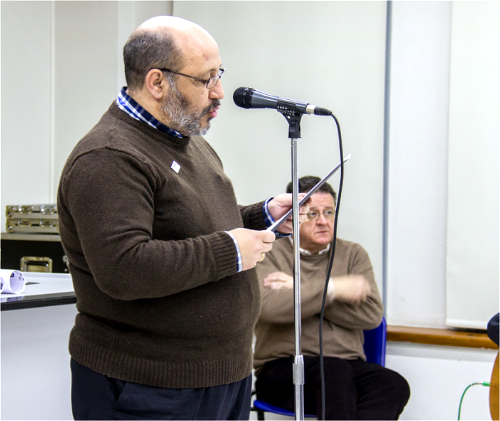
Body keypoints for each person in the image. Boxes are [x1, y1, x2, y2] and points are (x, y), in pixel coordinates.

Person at [57, 16, 308, 420]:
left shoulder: (185, 141)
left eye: (219, 74)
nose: (220, 92)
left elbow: (194, 226)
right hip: (149, 386)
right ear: (157, 83)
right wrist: (230, 250)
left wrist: (261, 216)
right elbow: (125, 267)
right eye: (206, 79)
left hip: (220, 376)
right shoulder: (108, 157)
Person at [254, 176, 410, 420]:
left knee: (392, 383)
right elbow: (271, 307)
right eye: (313, 214)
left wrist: (299, 289)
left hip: (347, 366)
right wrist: (335, 289)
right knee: (332, 373)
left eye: (329, 212)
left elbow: (371, 315)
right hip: (283, 370)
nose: (324, 222)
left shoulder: (353, 254)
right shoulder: (270, 252)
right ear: (292, 217)